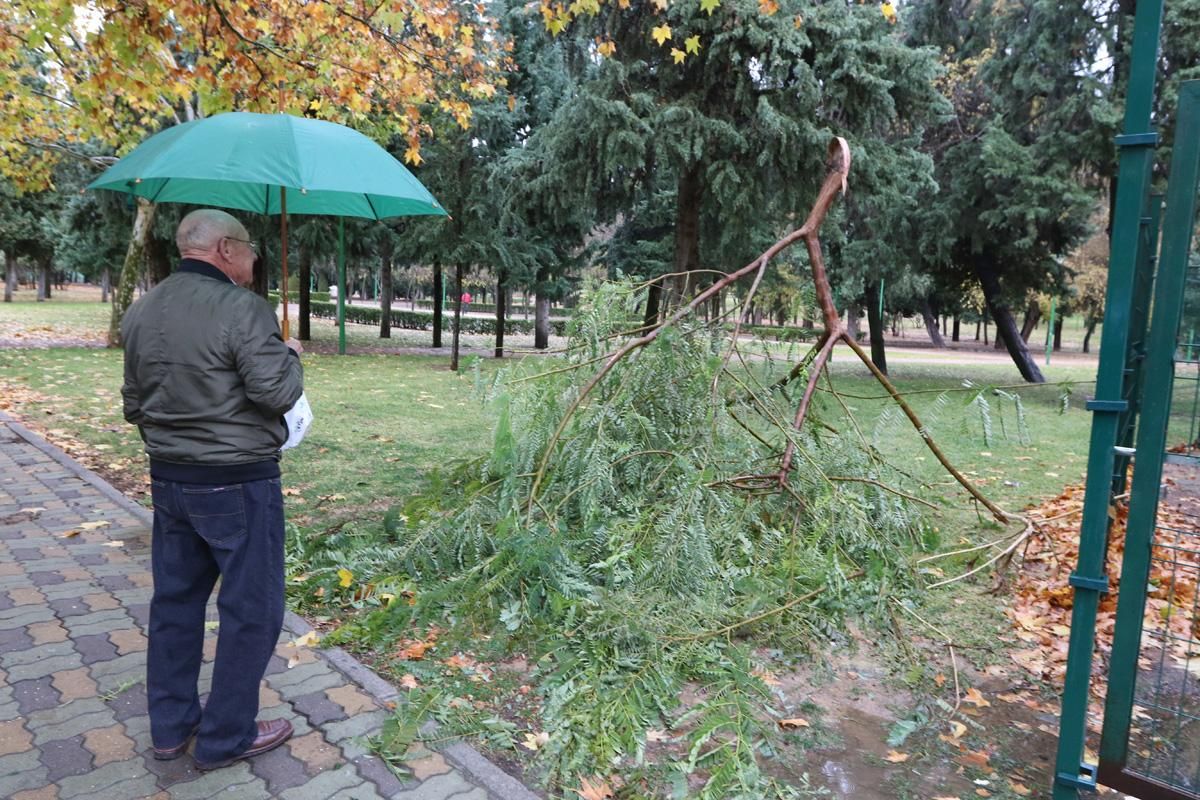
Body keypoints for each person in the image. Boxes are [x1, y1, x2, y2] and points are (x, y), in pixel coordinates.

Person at [121, 208, 304, 770]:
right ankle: (226, 737)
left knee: (175, 604)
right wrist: (290, 358)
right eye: (250, 249)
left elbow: (134, 404)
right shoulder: (242, 309)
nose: (254, 259)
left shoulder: (141, 309)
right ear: (225, 249)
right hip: (237, 483)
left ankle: (171, 729)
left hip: (169, 480)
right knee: (252, 610)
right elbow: (276, 392)